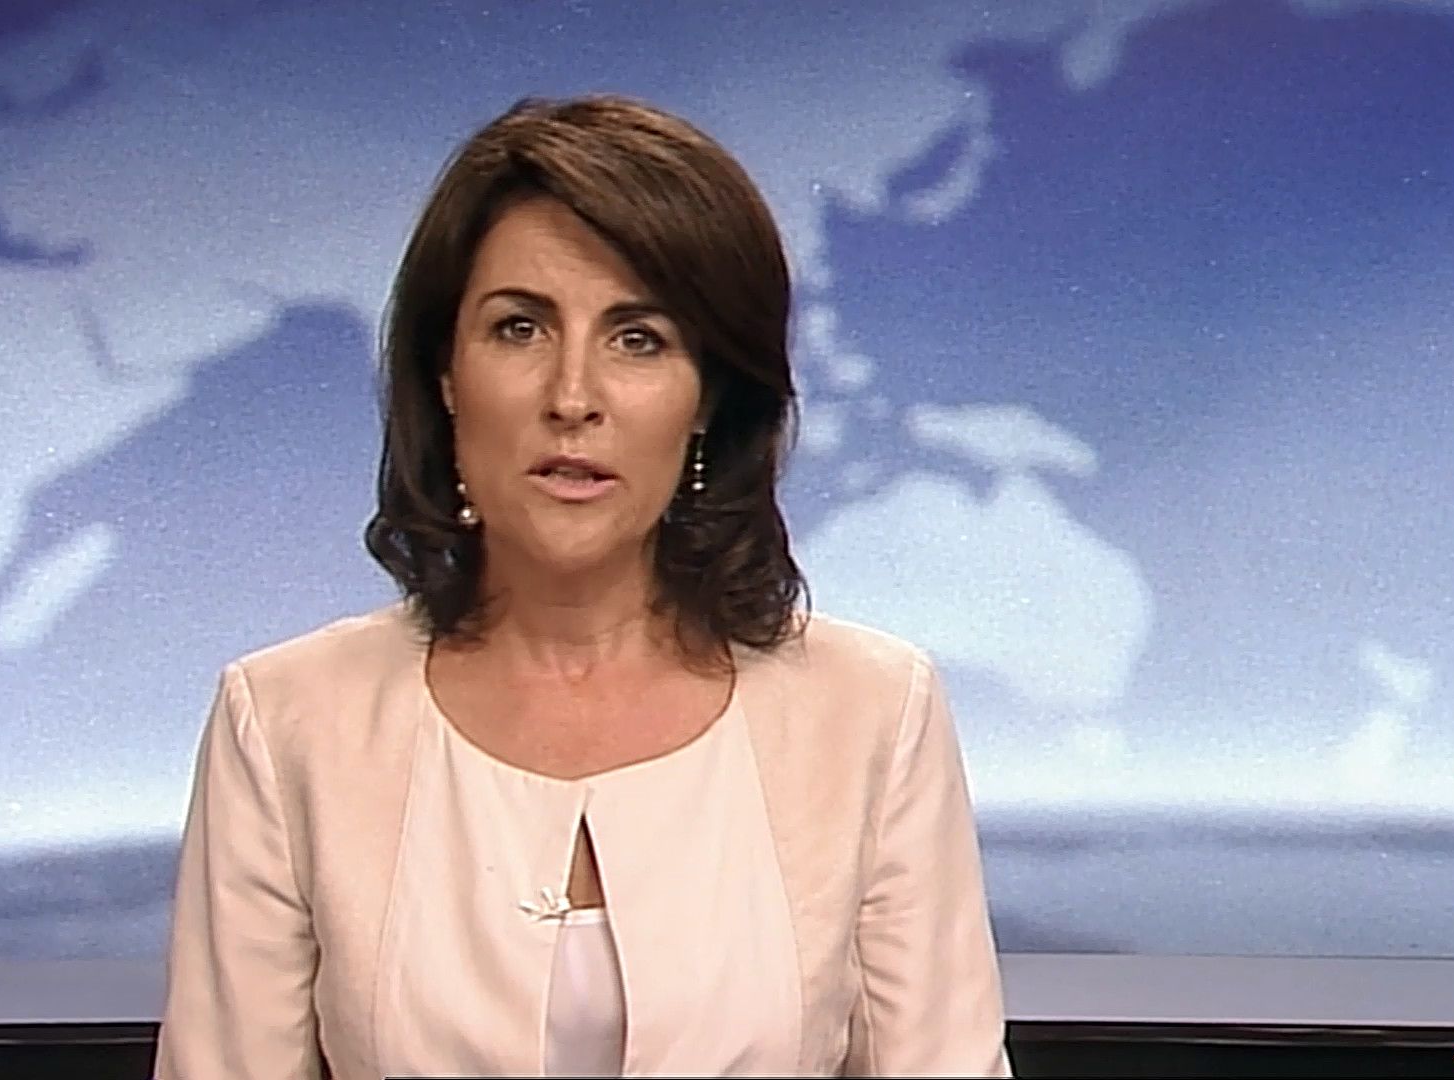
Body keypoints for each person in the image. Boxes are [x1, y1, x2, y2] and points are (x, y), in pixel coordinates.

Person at [154, 93, 1011, 1079]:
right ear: (446, 375)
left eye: (637, 339)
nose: (573, 397)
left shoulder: (872, 714)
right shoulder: (286, 722)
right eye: (519, 328)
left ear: (708, 398)